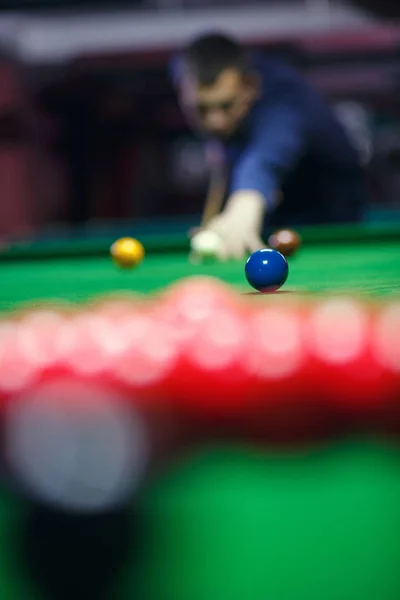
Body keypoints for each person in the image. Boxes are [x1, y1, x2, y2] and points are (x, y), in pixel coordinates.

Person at [170, 33, 366, 260]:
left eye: (227, 105)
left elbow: (267, 156)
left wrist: (246, 202)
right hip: (273, 210)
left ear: (251, 87)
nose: (216, 121)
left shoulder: (285, 100)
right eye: (201, 109)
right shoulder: (183, 70)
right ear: (182, 91)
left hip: (329, 208)